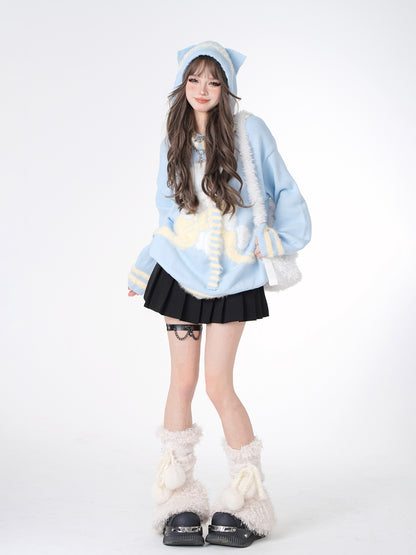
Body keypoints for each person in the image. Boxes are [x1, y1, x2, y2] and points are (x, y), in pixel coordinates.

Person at [127, 40, 311, 547]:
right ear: (182, 84)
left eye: (213, 80)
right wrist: (145, 266)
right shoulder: (173, 136)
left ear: (227, 87)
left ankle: (248, 501)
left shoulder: (251, 130)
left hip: (234, 277)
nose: (203, 89)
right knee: (181, 383)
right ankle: (178, 501)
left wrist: (278, 239)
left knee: (218, 385)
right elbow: (167, 212)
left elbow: (286, 191)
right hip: (178, 272)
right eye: (194, 79)